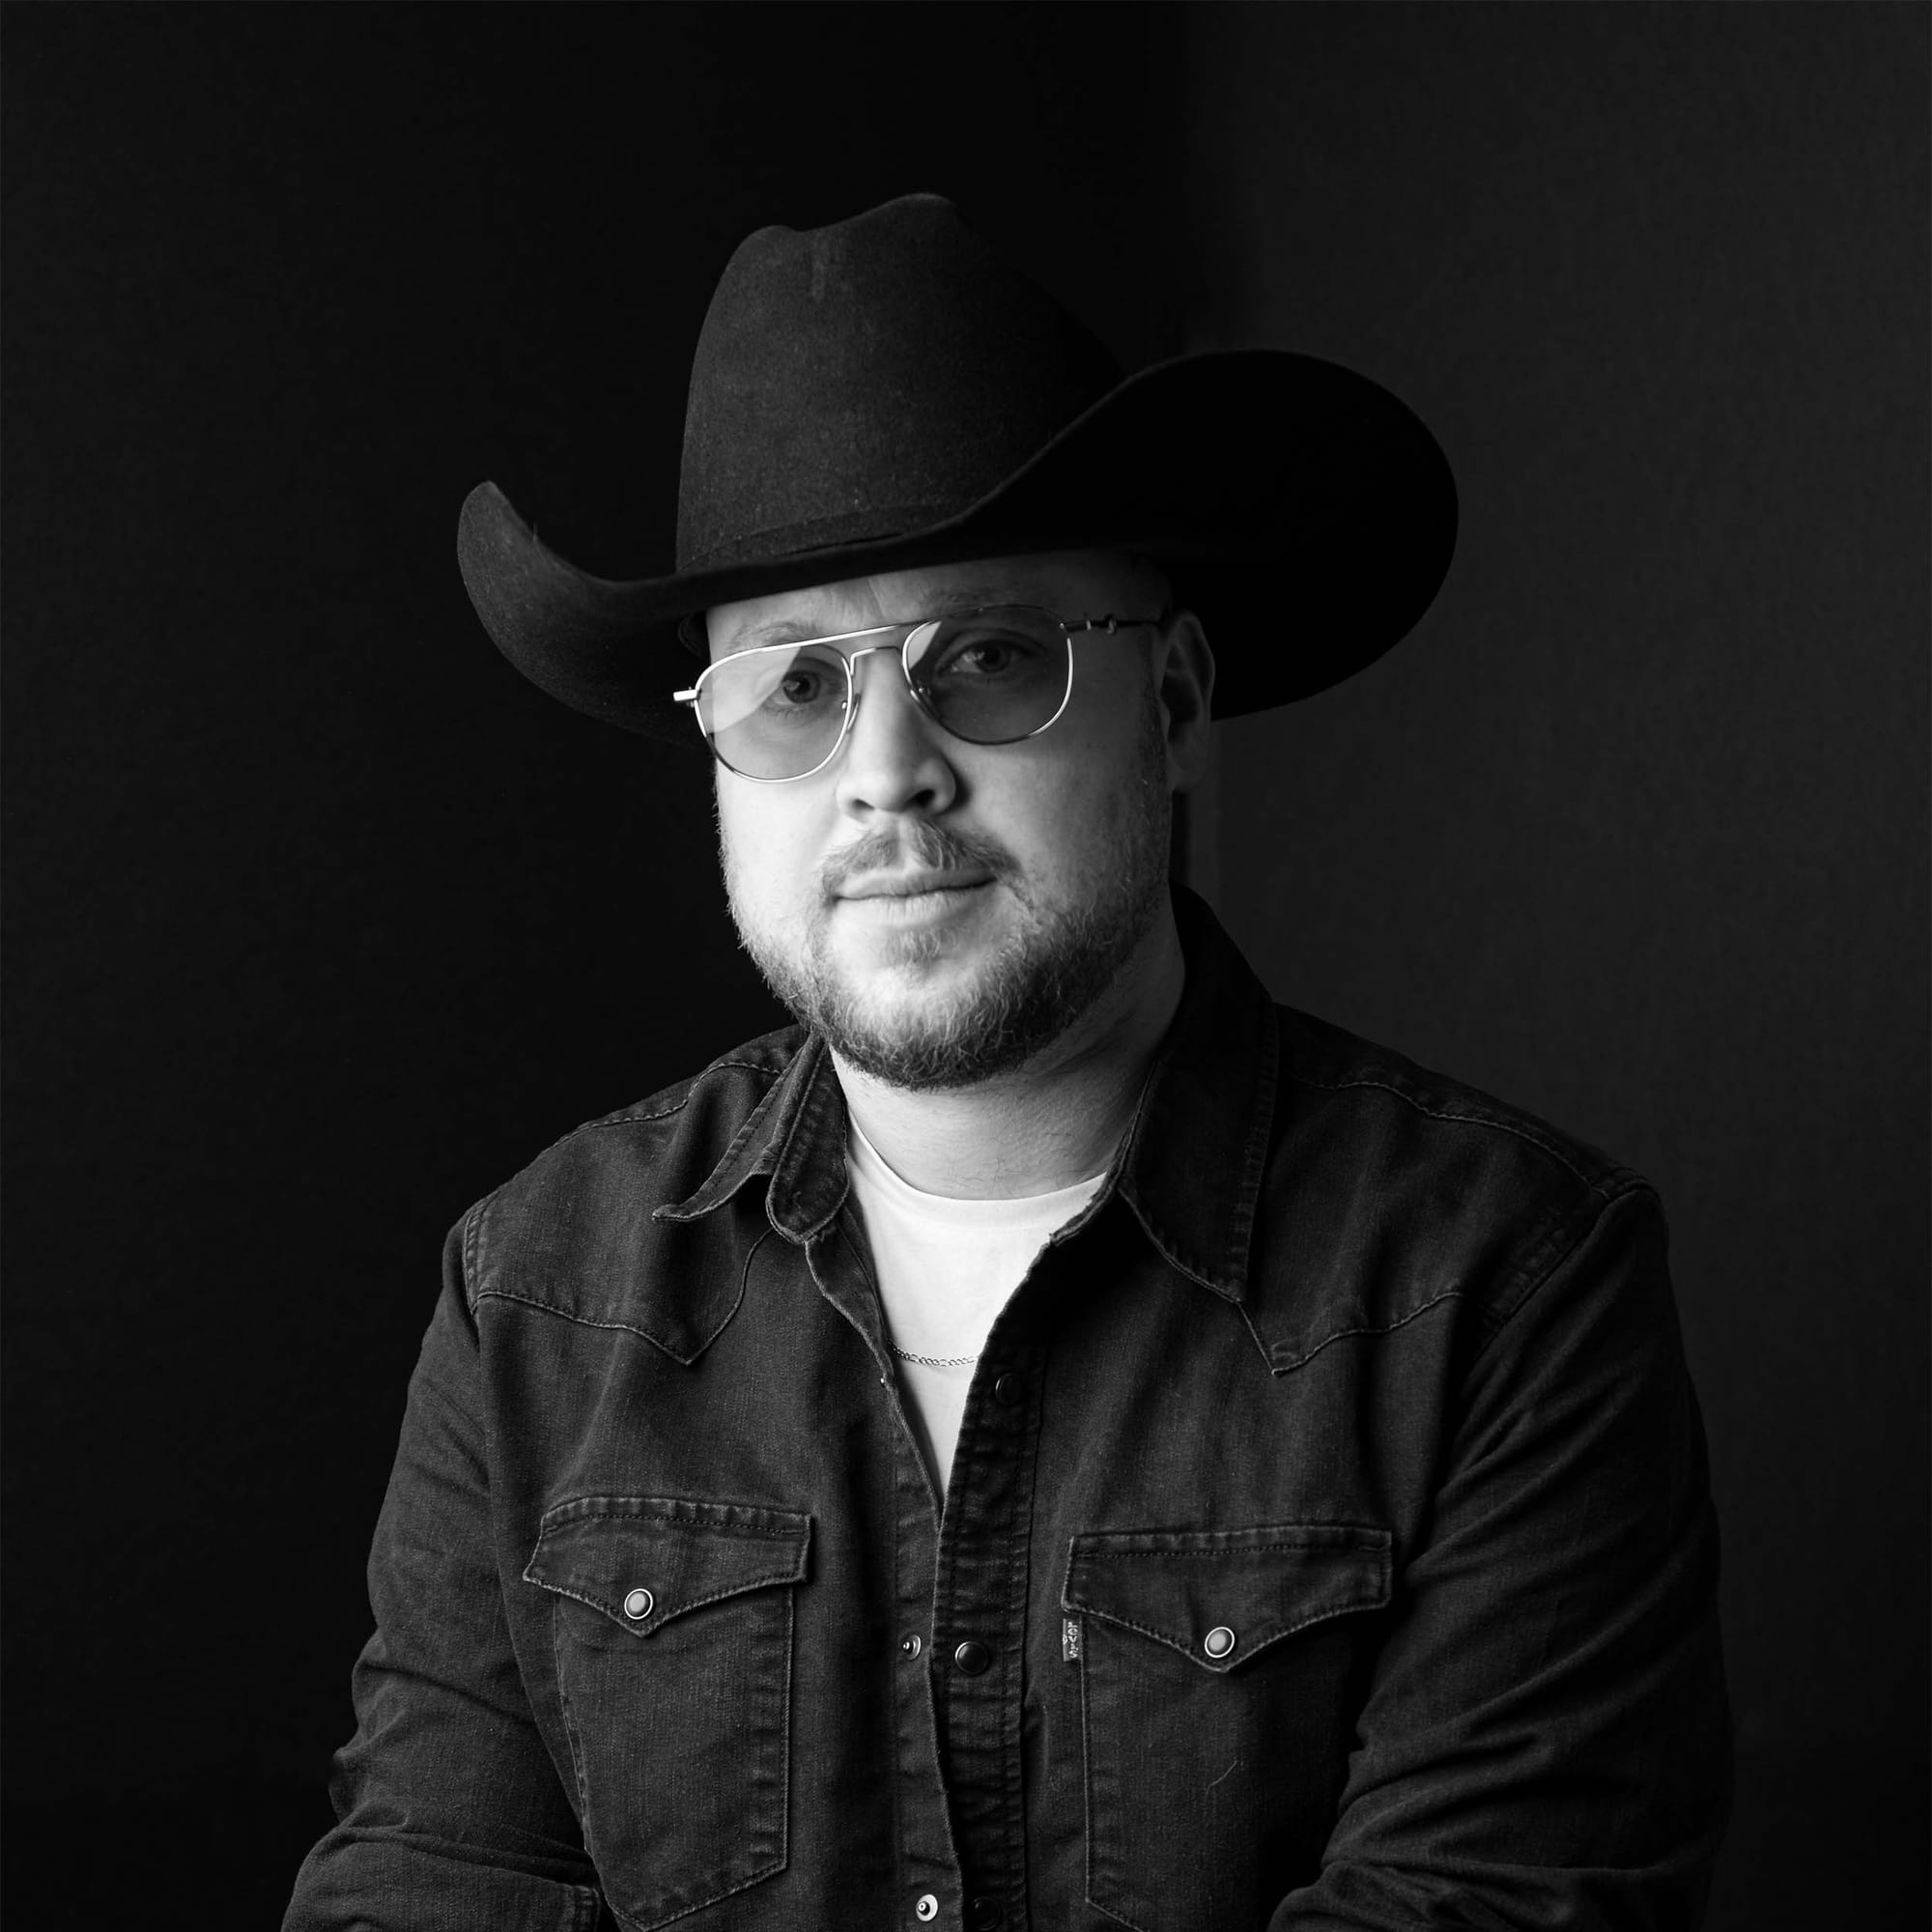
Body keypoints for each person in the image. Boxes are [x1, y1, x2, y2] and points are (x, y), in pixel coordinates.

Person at [285, 194, 1730, 1932]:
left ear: (1176, 703)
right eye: (795, 689)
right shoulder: (536, 1297)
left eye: (990, 660)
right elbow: (420, 1898)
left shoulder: (1500, 1287)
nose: (886, 770)